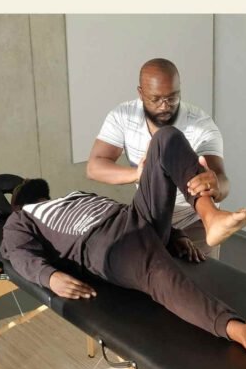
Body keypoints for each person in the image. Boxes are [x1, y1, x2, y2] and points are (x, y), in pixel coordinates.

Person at [1, 126, 246, 360]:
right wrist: (50, 278)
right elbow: (18, 253)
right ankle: (242, 333)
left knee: (166, 138)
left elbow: (120, 209)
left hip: (135, 218)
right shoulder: (20, 217)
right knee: (161, 277)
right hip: (107, 245)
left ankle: (211, 216)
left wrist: (176, 235)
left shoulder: (75, 195)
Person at [86, 58, 229, 259]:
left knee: (202, 284)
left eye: (172, 98)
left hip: (193, 223)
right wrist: (137, 174)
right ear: (140, 93)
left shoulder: (200, 125)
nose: (164, 106)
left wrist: (216, 185)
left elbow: (222, 180)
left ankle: (212, 218)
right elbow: (95, 166)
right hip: (152, 221)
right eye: (156, 99)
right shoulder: (123, 116)